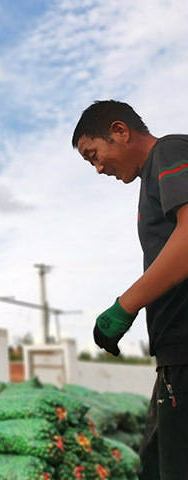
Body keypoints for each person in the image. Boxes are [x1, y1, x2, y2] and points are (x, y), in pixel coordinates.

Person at [72, 100, 188, 479]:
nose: (99, 168)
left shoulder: (169, 151)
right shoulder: (151, 179)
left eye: (94, 155)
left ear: (120, 131)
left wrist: (125, 306)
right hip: (173, 357)